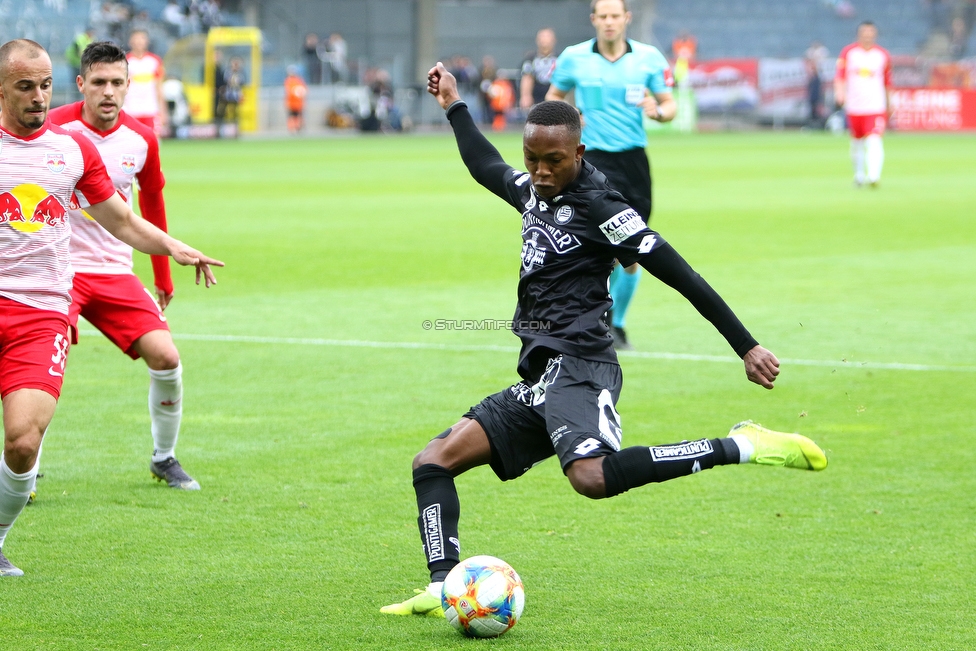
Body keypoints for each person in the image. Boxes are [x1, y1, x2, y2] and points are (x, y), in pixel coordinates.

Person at [380, 62, 827, 617]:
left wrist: (746, 345)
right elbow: (484, 164)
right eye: (533, 160)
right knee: (434, 461)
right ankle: (445, 584)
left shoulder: (603, 208)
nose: (540, 172)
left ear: (579, 153)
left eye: (553, 161)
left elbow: (682, 274)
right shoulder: (533, 190)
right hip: (545, 373)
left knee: (590, 478)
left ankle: (743, 445)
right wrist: (453, 105)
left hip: (582, 363)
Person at [0, 39, 222, 577]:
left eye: (43, 85)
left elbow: (124, 219)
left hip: (44, 306)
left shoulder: (76, 150)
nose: (37, 97)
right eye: (25, 86)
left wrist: (172, 249)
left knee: (24, 439)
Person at [47, 40, 199, 495]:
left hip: (115, 270)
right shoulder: (54, 128)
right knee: (44, 370)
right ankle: (25, 468)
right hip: (60, 272)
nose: (108, 92)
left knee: (167, 358)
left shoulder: (142, 139)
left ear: (130, 86)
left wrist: (163, 276)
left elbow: (150, 205)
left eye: (117, 82)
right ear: (81, 84)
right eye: (99, 82)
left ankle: (163, 458)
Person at [546, 0, 676, 351]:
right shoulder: (574, 57)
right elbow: (553, 96)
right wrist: (567, 113)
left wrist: (658, 111)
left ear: (626, 19)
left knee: (632, 252)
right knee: (598, 248)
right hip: (592, 162)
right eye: (602, 16)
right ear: (593, 20)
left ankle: (616, 323)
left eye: (615, 16)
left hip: (633, 162)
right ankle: (599, 322)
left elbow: (669, 105)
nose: (608, 22)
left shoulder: (648, 58)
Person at [834, 21, 892, 188]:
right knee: (856, 143)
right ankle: (859, 176)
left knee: (874, 139)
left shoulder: (882, 55)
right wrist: (840, 93)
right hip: (854, 106)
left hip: (875, 106)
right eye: (864, 32)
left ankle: (873, 176)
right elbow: (840, 76)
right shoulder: (848, 53)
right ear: (859, 34)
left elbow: (888, 82)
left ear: (875, 34)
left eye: (870, 32)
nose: (867, 36)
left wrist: (889, 103)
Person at [122, 30, 167, 135]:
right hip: (131, 109)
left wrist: (163, 112)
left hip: (151, 108)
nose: (139, 42)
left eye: (142, 38)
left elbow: (159, 87)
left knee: (153, 141)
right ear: (130, 41)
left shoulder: (155, 61)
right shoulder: (124, 61)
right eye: (136, 39)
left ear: (147, 41)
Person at [520, 28, 558, 112]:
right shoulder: (530, 59)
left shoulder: (560, 59)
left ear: (554, 40)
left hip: (555, 95)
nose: (544, 41)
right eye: (542, 37)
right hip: (536, 97)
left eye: (547, 37)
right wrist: (525, 96)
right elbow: (527, 77)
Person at [284, 65, 307, 134]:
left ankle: (298, 128)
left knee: (298, 116)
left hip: (298, 103)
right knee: (291, 116)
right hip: (291, 103)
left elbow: (303, 90)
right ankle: (292, 129)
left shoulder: (299, 80)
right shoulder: (288, 81)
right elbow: (289, 91)